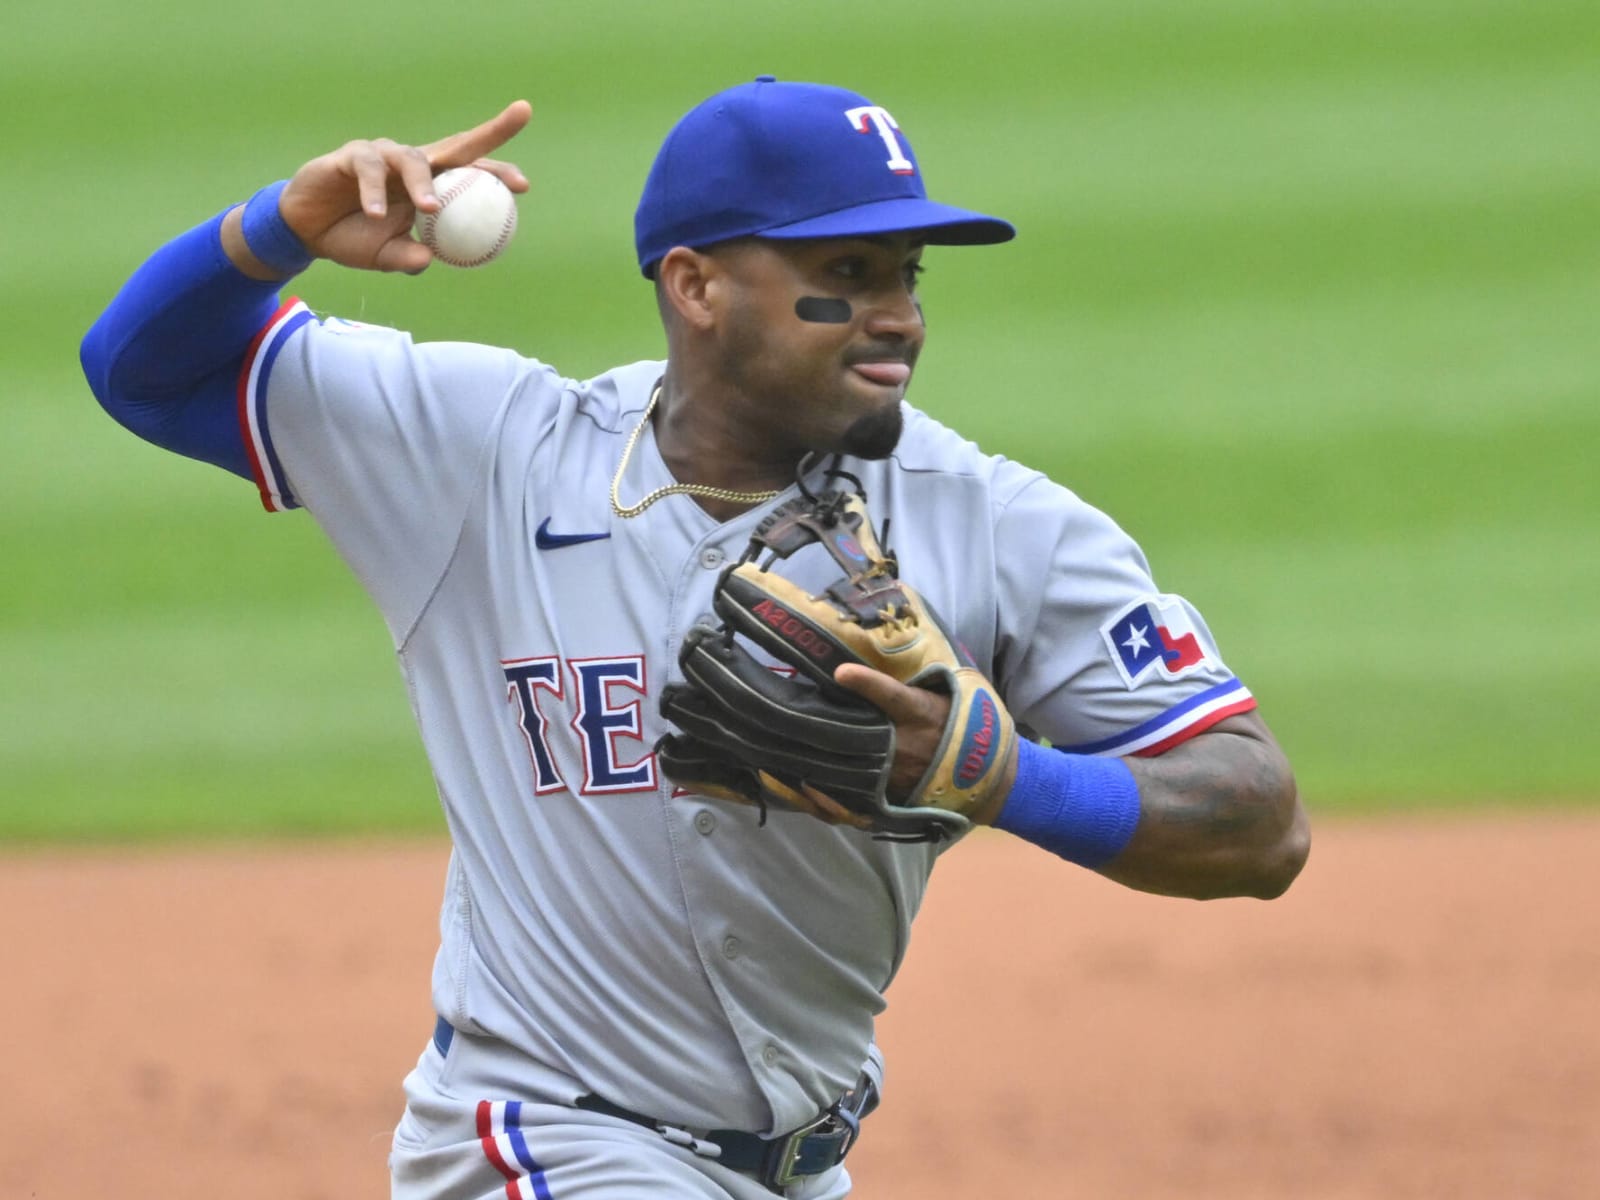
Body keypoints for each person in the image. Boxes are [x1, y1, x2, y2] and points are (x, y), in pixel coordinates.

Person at [81, 77, 1309, 1199]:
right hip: (539, 1142)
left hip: (799, 1171)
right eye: (850, 272)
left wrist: (1000, 777)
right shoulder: (485, 457)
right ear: (697, 286)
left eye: (909, 277)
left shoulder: (999, 525)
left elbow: (1259, 823)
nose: (896, 319)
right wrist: (278, 229)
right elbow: (145, 370)